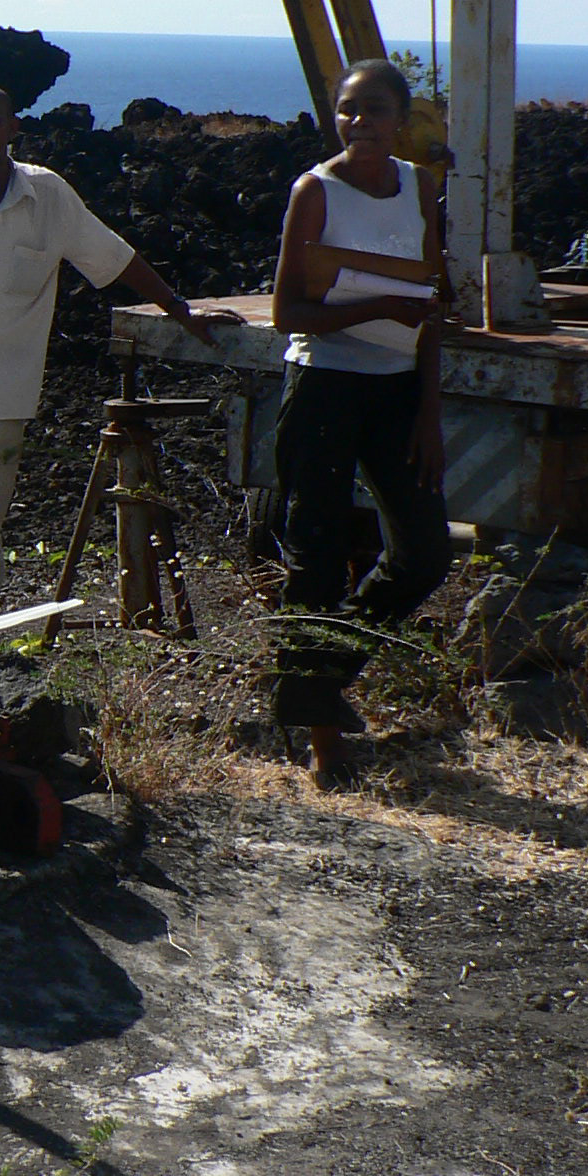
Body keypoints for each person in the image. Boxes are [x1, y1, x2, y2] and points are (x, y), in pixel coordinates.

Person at [0, 81, 224, 618]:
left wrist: (180, 309)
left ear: (13, 126)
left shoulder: (48, 196)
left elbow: (113, 257)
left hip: (3, 390)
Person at [266, 59, 451, 788]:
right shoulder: (315, 191)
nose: (358, 123)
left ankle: (317, 676)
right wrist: (378, 308)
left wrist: (430, 414)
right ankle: (323, 747)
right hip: (323, 389)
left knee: (425, 554)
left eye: (373, 111)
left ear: (401, 120)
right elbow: (289, 314)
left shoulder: (422, 188)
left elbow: (431, 305)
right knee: (313, 556)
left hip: (398, 392)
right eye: (347, 111)